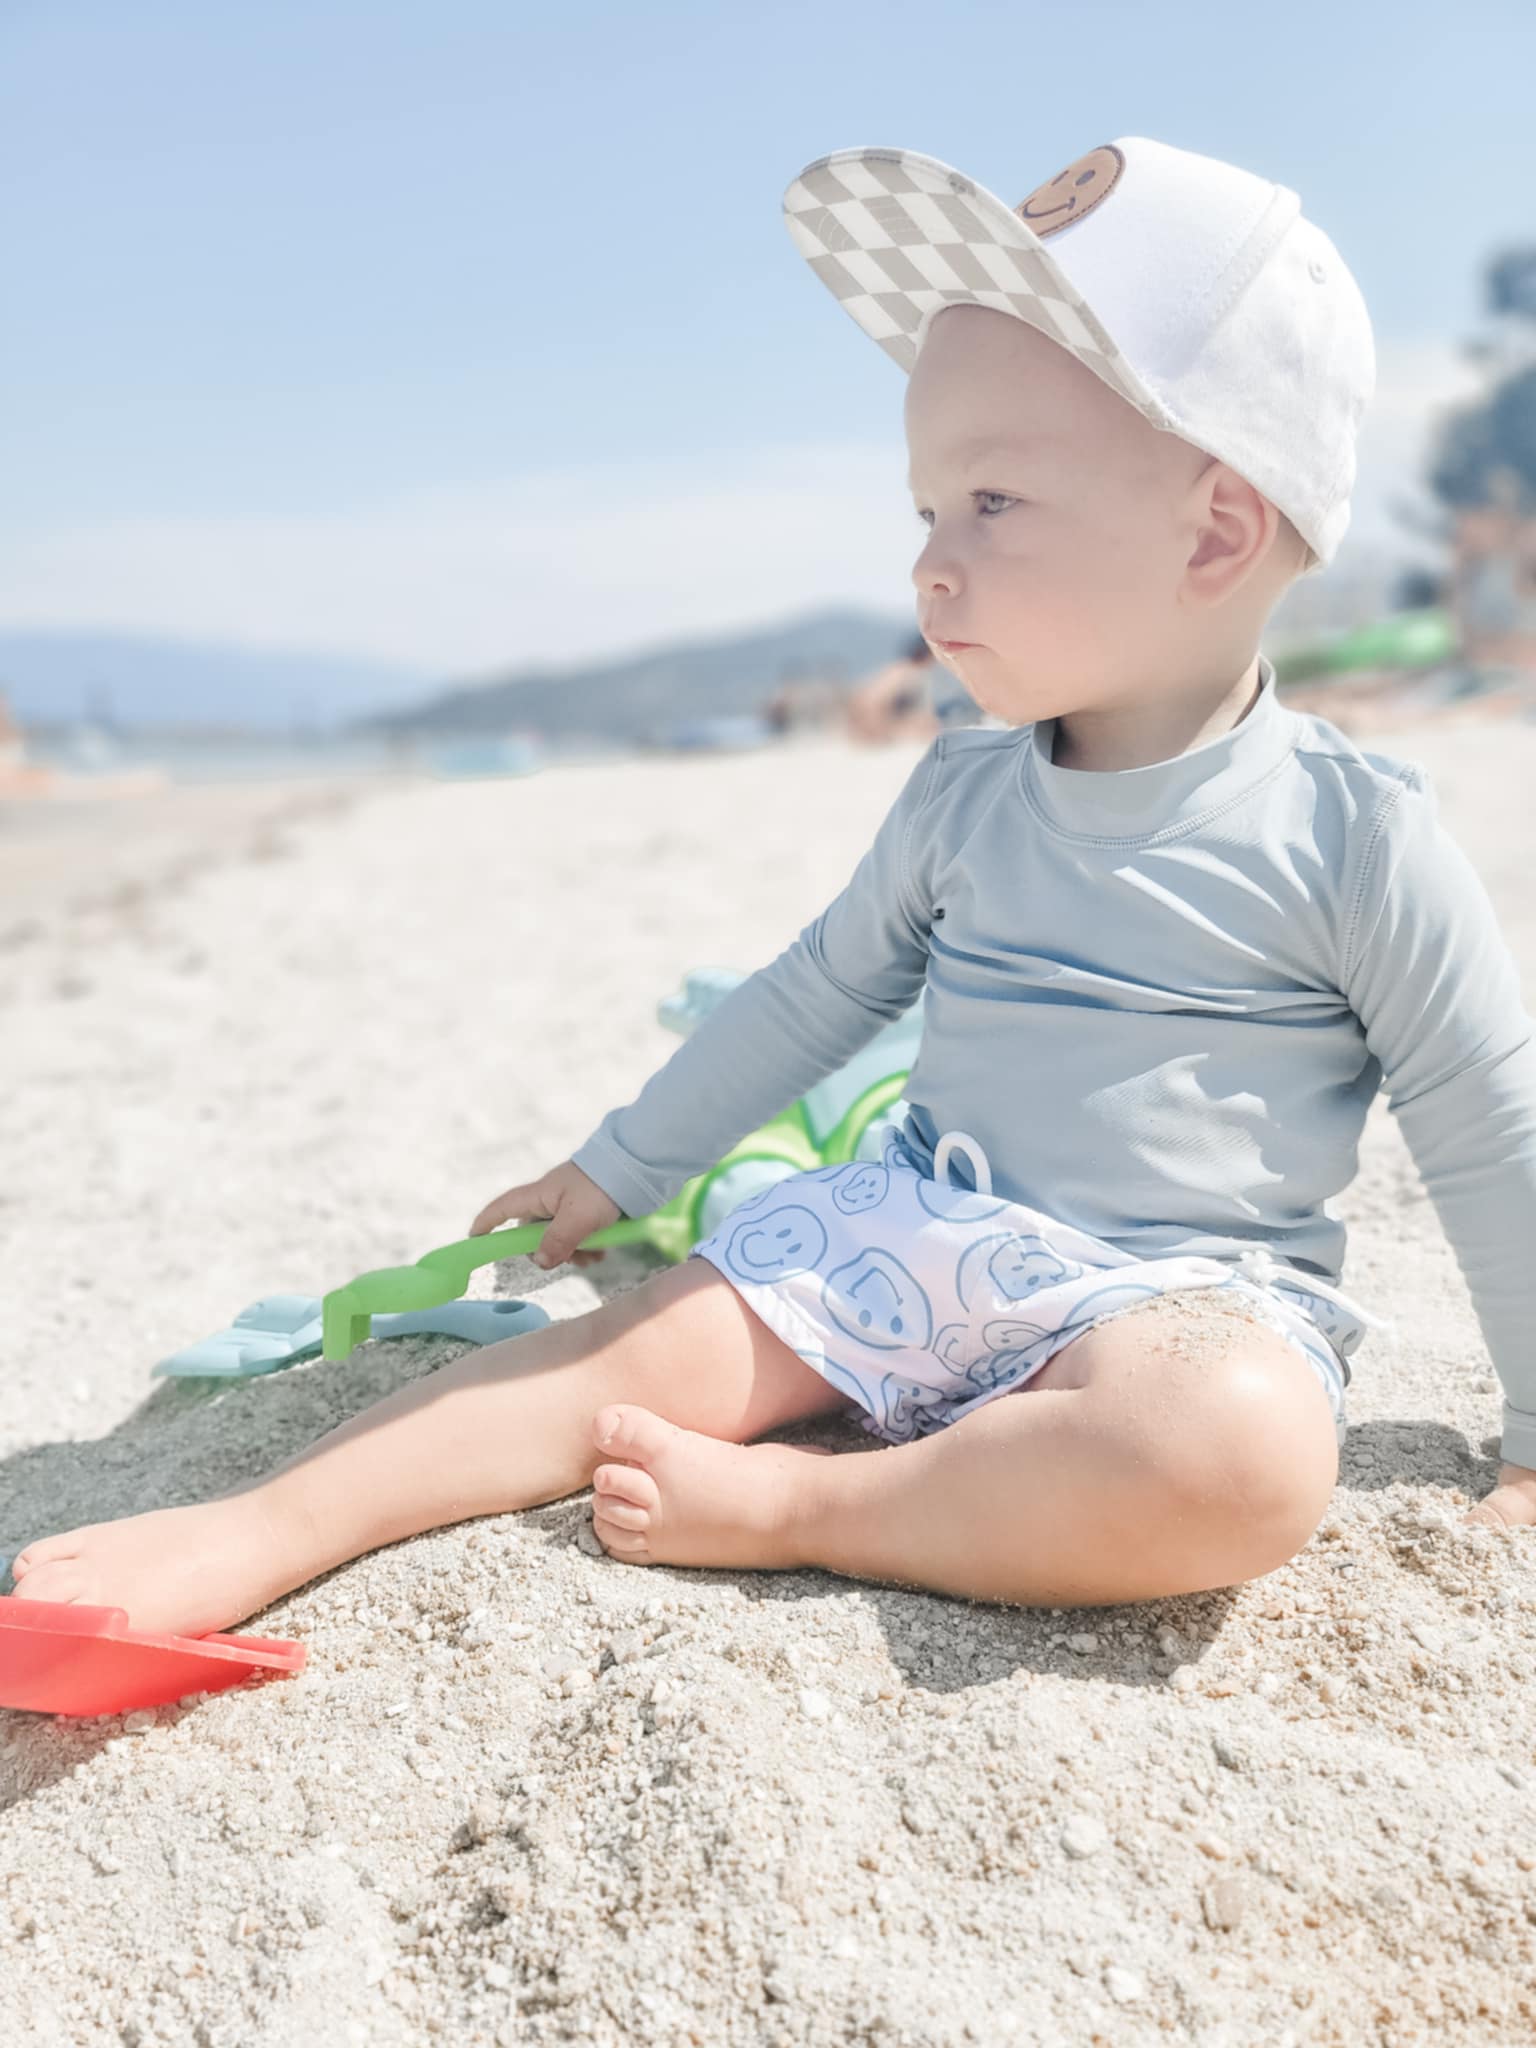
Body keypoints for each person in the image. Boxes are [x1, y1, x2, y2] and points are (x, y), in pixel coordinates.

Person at [12, 137, 1536, 1643]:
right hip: (924, 1233)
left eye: (992, 504)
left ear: (1215, 529)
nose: (932, 568)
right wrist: (619, 1169)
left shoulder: (1354, 835)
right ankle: (261, 1525)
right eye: (926, 511)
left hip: (1185, 1304)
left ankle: (813, 1510)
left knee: (1244, 1452)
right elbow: (815, 993)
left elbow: (1487, 1128)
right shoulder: (964, 792)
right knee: (638, 1345)